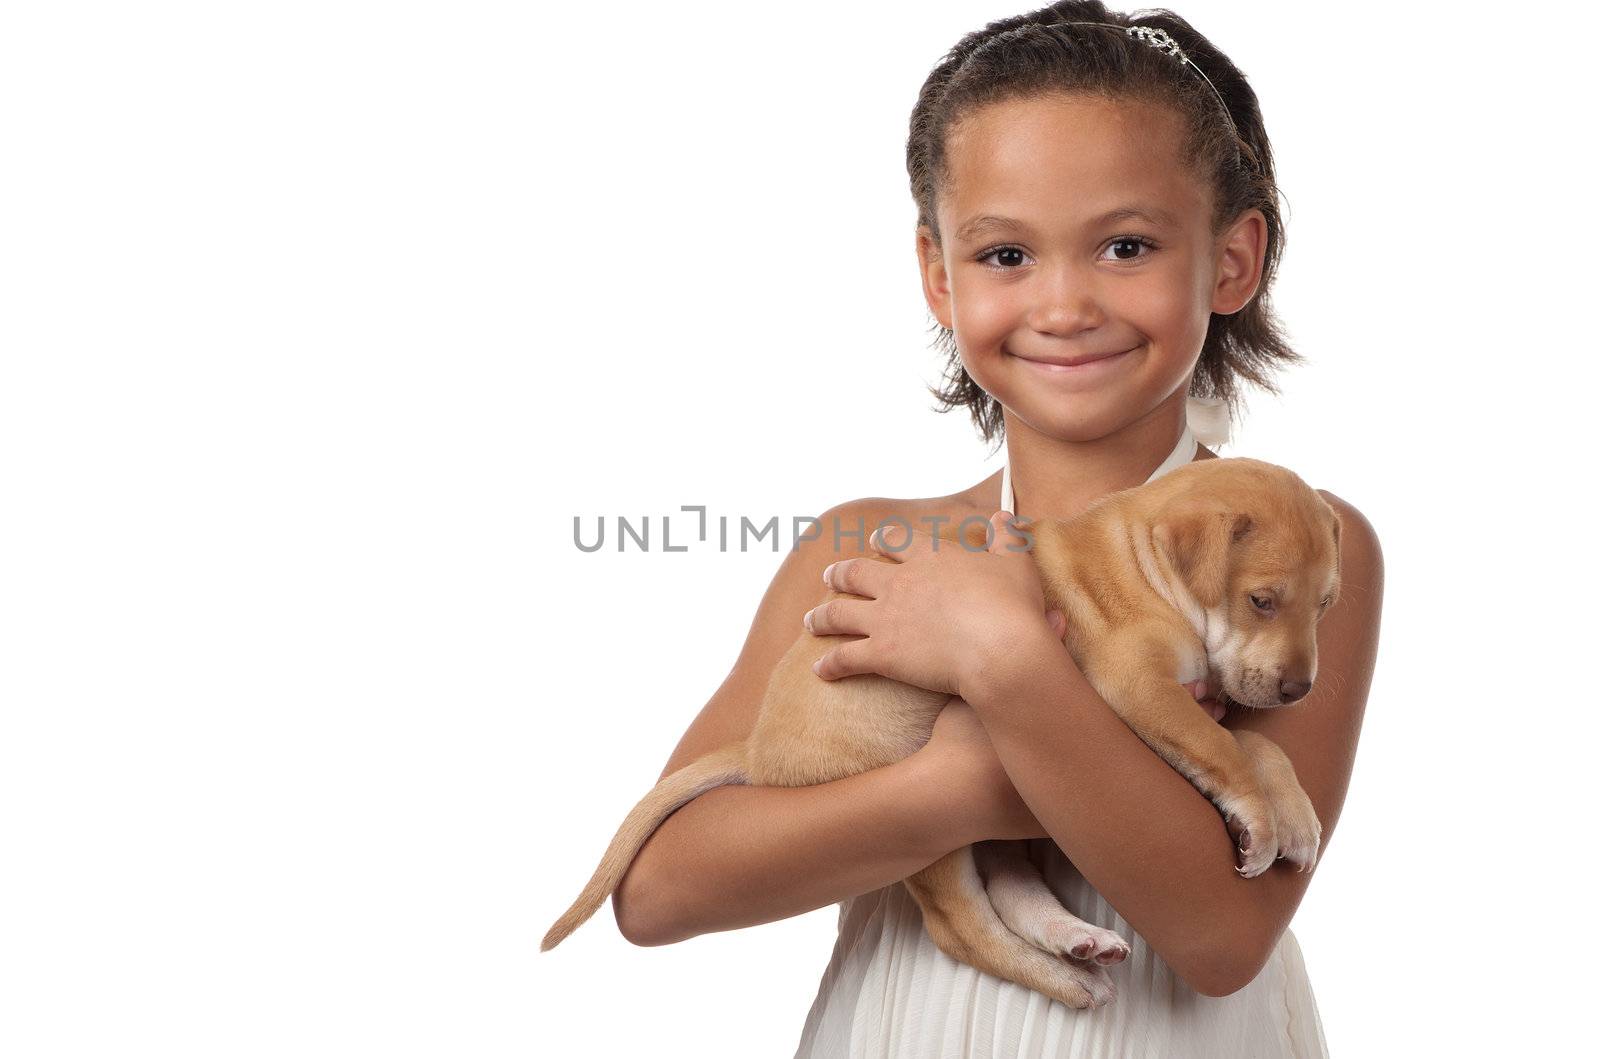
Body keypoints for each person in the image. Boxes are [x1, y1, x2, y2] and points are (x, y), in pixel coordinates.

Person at [610, 2, 1384, 1055]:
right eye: (1006, 255)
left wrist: (1003, 660)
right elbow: (657, 892)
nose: (1063, 304)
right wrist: (954, 788)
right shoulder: (868, 548)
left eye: (1124, 244)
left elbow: (1219, 933)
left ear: (1233, 259)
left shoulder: (1300, 545)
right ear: (938, 273)